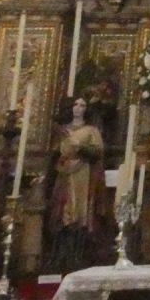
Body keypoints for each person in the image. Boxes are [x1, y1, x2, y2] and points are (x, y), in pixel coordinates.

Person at [48, 97, 106, 273]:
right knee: (61, 209)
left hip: (83, 173)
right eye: (76, 104)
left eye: (83, 105)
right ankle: (60, 254)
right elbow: (54, 153)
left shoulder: (91, 130)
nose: (78, 108)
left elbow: (97, 152)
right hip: (64, 172)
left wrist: (79, 146)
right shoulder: (63, 130)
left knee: (79, 212)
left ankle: (77, 253)